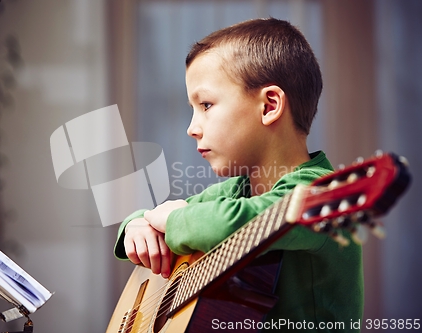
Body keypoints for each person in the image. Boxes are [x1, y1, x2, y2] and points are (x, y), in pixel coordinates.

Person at [114, 18, 362, 332]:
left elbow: (242, 221)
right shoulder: (234, 192)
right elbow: (160, 219)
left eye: (205, 104)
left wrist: (174, 220)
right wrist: (136, 225)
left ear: (270, 105)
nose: (192, 128)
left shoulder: (323, 195)